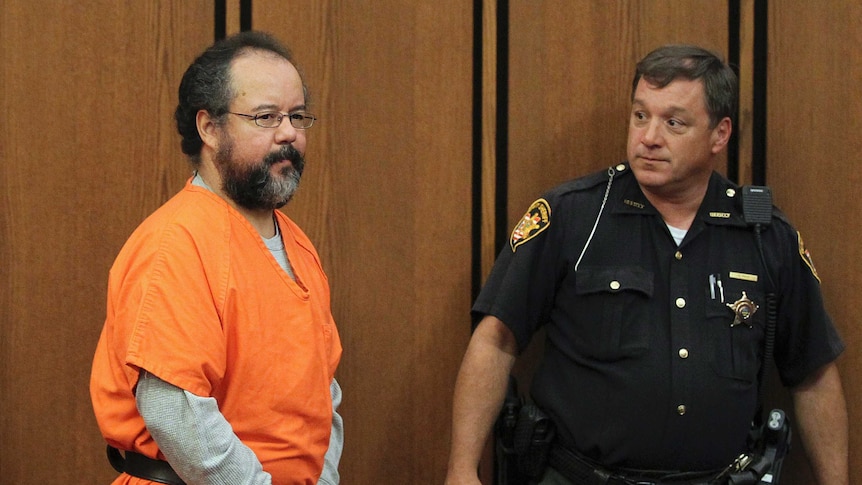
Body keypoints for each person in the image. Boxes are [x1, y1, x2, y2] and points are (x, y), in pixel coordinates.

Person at [445, 45, 848, 485]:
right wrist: (463, 469)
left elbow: (814, 375)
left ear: (719, 134)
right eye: (641, 116)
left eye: (673, 122)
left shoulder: (765, 236)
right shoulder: (575, 216)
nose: (649, 137)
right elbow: (495, 341)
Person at [90, 31, 343, 485]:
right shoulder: (176, 243)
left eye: (297, 116)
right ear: (209, 128)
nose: (289, 133)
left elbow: (326, 397)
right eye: (266, 117)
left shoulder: (299, 245)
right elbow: (178, 415)